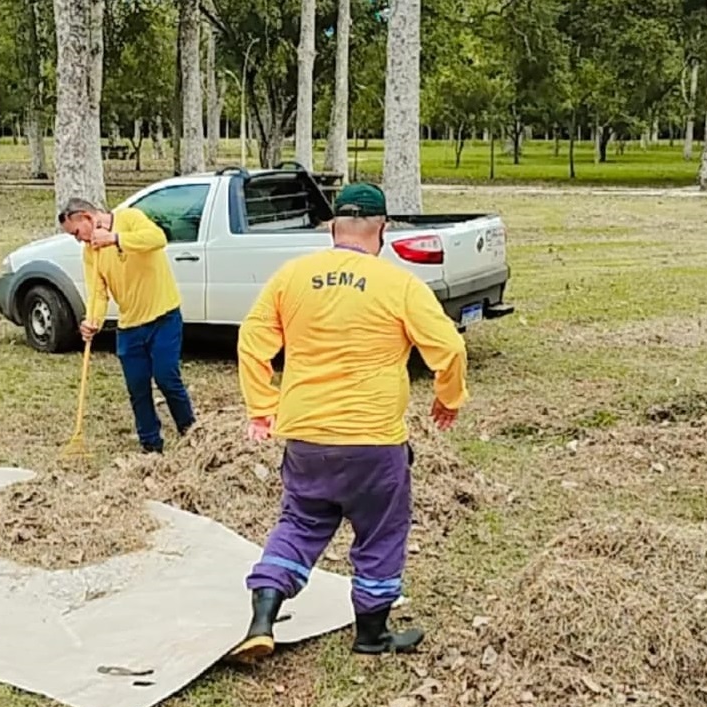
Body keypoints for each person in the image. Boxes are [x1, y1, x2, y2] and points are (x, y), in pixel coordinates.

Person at [230, 182, 469, 662]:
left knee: (298, 522)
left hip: (305, 436)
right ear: (381, 230)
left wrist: (262, 406)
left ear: (333, 227)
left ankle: (262, 618)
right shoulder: (400, 286)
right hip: (373, 441)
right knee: (381, 530)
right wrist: (449, 397)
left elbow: (252, 340)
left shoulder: (291, 276)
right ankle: (372, 634)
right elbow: (450, 349)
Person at [58, 198, 196, 454]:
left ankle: (191, 433)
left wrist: (115, 239)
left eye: (76, 233)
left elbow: (157, 239)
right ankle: (151, 446)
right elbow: (98, 292)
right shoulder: (91, 253)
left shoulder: (129, 219)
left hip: (163, 316)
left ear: (86, 217)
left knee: (167, 377)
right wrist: (93, 321)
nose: (78, 240)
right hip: (130, 326)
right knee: (138, 386)